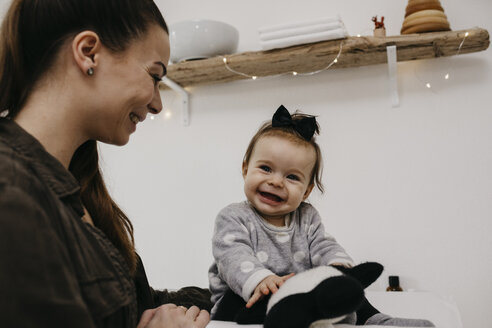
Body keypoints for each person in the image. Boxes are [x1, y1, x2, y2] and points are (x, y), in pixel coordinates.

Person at [0, 0, 212, 327]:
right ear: (88, 53)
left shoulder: (78, 190)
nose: (156, 104)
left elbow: (132, 304)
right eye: (155, 76)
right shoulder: (12, 195)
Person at [208, 105, 434, 327]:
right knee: (236, 302)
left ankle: (377, 320)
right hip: (247, 297)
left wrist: (337, 267)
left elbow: (323, 245)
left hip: (297, 297)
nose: (276, 182)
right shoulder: (234, 216)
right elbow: (232, 256)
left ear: (306, 191)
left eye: (292, 177)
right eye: (266, 168)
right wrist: (260, 280)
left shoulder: (306, 217)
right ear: (246, 169)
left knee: (343, 287)